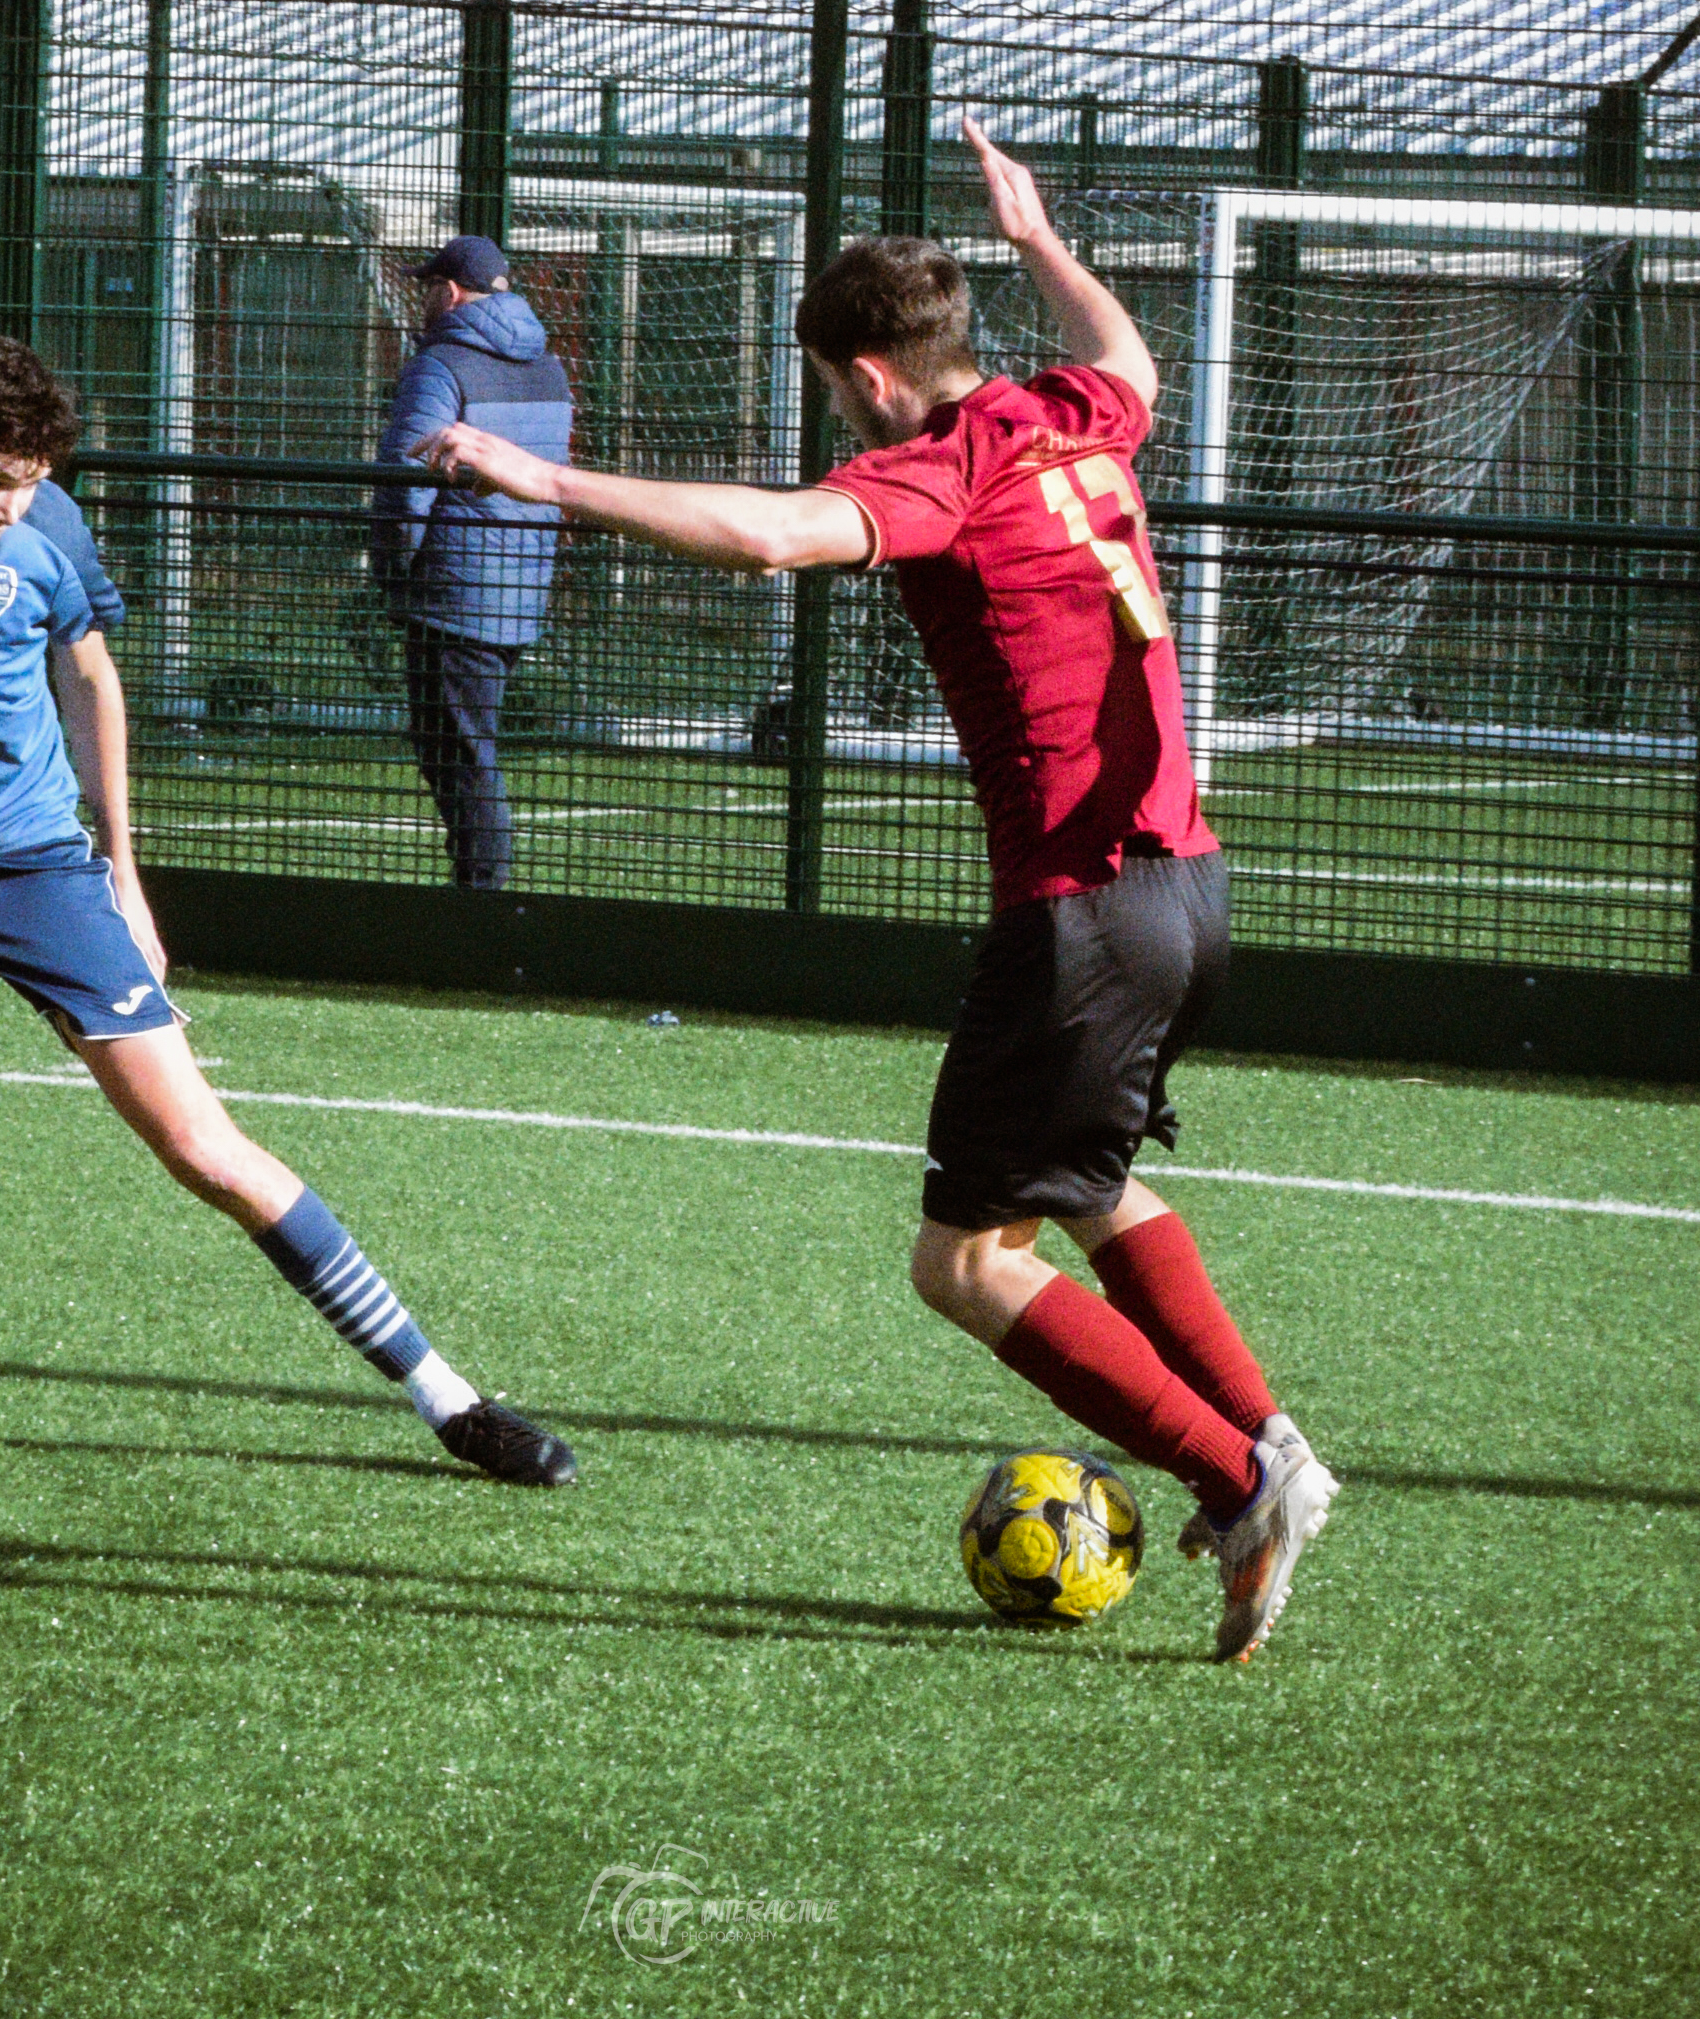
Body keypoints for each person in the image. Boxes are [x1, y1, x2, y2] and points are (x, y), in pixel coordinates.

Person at [422, 120, 1337, 1657]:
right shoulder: (1074, 411)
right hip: (1188, 883)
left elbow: (770, 537)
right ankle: (1268, 1445)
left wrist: (538, 473)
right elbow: (1130, 353)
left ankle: (1236, 1476)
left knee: (967, 1262)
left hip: (1083, 914)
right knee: (1091, 1187)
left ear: (862, 375)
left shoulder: (937, 470)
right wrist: (1038, 235)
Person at [0, 332, 575, 1486]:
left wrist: (122, 868)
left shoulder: (47, 527)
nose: (9, 514)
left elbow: (89, 677)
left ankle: (451, 1400)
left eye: (29, 487)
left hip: (26, 866)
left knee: (203, 1150)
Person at [369, 234, 573, 891]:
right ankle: (479, 887)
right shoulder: (550, 364)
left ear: (449, 292)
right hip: (519, 590)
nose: (423, 297)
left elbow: (407, 479)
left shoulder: (439, 363)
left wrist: (392, 571)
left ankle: (480, 899)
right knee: (467, 747)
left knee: (458, 755)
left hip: (452, 593)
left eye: (428, 285)